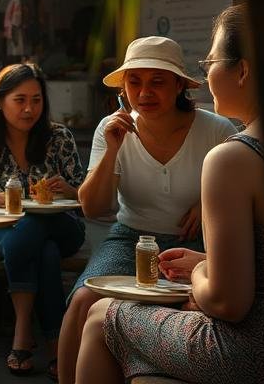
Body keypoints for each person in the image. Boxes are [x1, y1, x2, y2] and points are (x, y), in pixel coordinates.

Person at [76, 6, 264, 384]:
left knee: (102, 317)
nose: (207, 72)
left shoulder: (232, 151)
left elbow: (229, 303)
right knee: (87, 300)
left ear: (242, 71)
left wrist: (200, 268)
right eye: (134, 82)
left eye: (211, 60)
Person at [55, 37, 234, 383]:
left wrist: (206, 201)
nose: (145, 92)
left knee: (191, 308)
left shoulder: (215, 129)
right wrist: (112, 151)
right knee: (82, 299)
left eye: (158, 81)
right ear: (123, 88)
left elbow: (238, 183)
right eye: (135, 81)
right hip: (132, 238)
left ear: (179, 84)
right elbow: (92, 207)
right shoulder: (112, 130)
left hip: (196, 242)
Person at [0, 63, 86, 375]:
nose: (29, 109)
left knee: (37, 223)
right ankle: (50, 345)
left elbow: (86, 196)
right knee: (42, 249)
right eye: (20, 100)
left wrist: (69, 189)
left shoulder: (59, 137)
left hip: (64, 226)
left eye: (36, 100)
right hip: (4, 230)